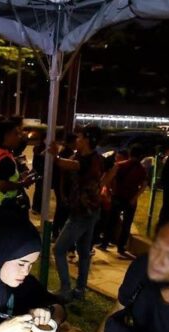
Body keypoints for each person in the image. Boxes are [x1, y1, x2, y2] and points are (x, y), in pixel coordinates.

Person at [49, 124, 104, 301]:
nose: (77, 140)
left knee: (58, 250)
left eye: (80, 137)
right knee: (84, 252)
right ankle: (80, 290)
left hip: (83, 214)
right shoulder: (85, 156)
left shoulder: (91, 161)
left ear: (87, 140)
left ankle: (66, 289)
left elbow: (72, 166)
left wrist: (55, 157)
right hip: (88, 211)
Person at [105, 144, 147, 260]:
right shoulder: (141, 169)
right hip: (131, 199)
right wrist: (135, 198)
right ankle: (121, 247)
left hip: (118, 196)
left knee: (112, 220)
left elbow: (109, 178)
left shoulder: (120, 165)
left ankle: (104, 243)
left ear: (130, 154)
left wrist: (110, 190)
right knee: (126, 224)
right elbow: (143, 185)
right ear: (140, 156)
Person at [0, 118, 32, 215]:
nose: (19, 137)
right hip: (7, 208)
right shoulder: (5, 159)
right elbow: (2, 185)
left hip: (2, 205)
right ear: (6, 136)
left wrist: (20, 176)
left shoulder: (0, 152)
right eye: (16, 134)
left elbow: (5, 176)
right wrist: (23, 183)